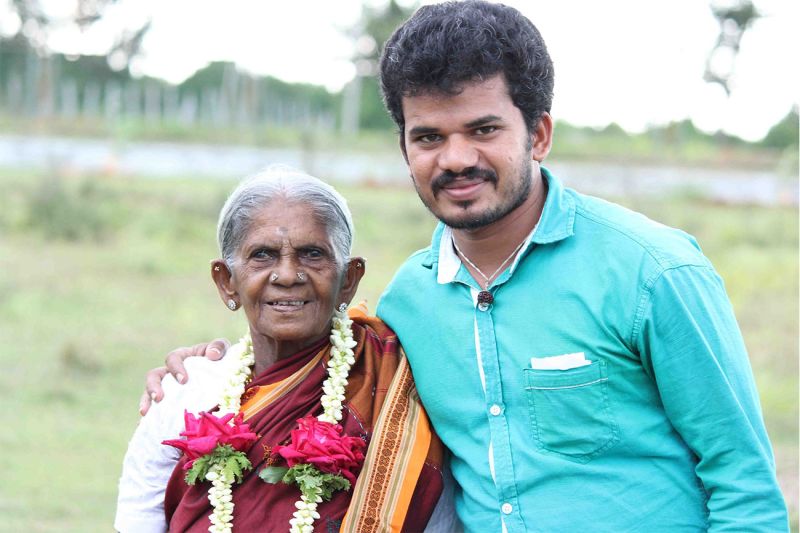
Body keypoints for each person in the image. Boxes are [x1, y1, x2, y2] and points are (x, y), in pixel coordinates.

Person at [142, 1, 789, 531]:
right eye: (428, 136)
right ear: (403, 146)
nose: (455, 159)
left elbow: (746, 490)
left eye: (482, 130)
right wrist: (206, 369)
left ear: (537, 133)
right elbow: (313, 370)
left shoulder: (653, 272)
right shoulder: (405, 307)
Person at [115, 167, 455, 532]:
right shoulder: (184, 394)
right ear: (226, 281)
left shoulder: (395, 395)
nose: (289, 275)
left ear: (349, 279)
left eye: (312, 254)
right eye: (263, 255)